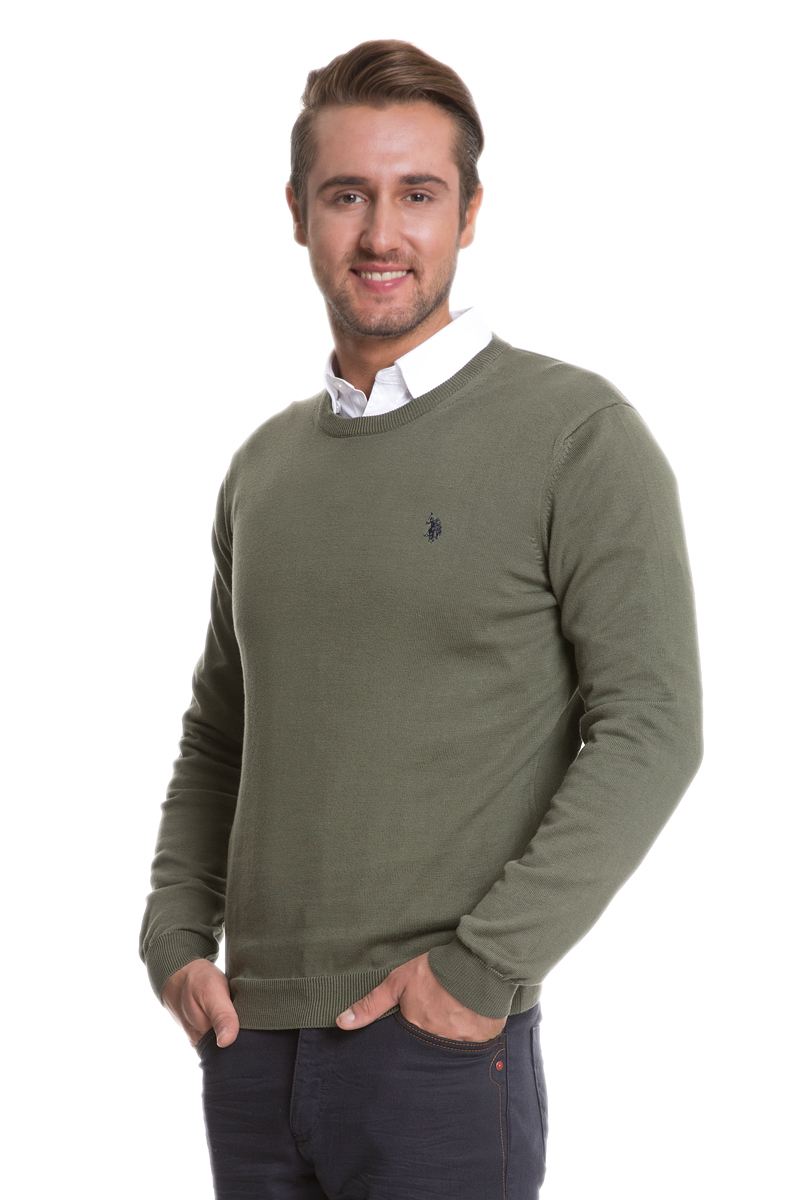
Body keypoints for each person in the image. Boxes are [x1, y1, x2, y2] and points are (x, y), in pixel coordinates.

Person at [139, 38, 703, 1200]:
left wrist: (479, 973)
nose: (380, 234)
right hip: (248, 1045)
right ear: (298, 213)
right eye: (347, 195)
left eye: (417, 195)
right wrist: (175, 939)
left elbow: (651, 726)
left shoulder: (572, 435)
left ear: (469, 212)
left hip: (435, 1050)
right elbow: (219, 733)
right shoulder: (263, 469)